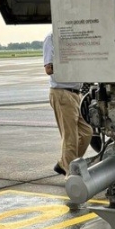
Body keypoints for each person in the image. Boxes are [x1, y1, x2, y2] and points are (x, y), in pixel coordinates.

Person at [43, 32, 92, 176]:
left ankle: (64, 163)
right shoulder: (52, 38)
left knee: (87, 132)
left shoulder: (74, 38)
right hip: (62, 93)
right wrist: (71, 62)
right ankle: (71, 176)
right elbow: (49, 68)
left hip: (77, 93)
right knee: (70, 138)